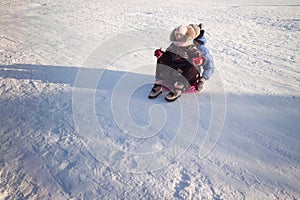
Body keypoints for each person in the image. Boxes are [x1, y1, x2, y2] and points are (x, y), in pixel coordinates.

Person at [148, 24, 205, 102]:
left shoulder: (190, 47)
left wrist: (198, 60)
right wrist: (161, 54)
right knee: (161, 59)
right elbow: (167, 55)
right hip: (174, 68)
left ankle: (178, 88)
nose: (178, 36)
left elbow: (200, 58)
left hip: (186, 72)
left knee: (193, 64)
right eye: (177, 34)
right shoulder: (173, 45)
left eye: (180, 35)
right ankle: (158, 84)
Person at [192, 23, 215, 91]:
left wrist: (203, 79)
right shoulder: (182, 43)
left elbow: (210, 67)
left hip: (190, 74)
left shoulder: (202, 50)